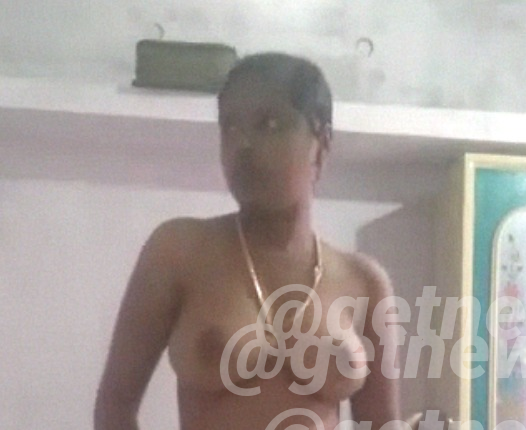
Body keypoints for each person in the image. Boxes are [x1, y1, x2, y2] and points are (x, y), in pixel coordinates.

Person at [94, 52, 402, 430]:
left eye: (270, 124)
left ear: (320, 144)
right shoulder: (180, 252)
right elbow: (114, 409)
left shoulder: (363, 281)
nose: (244, 144)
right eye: (230, 127)